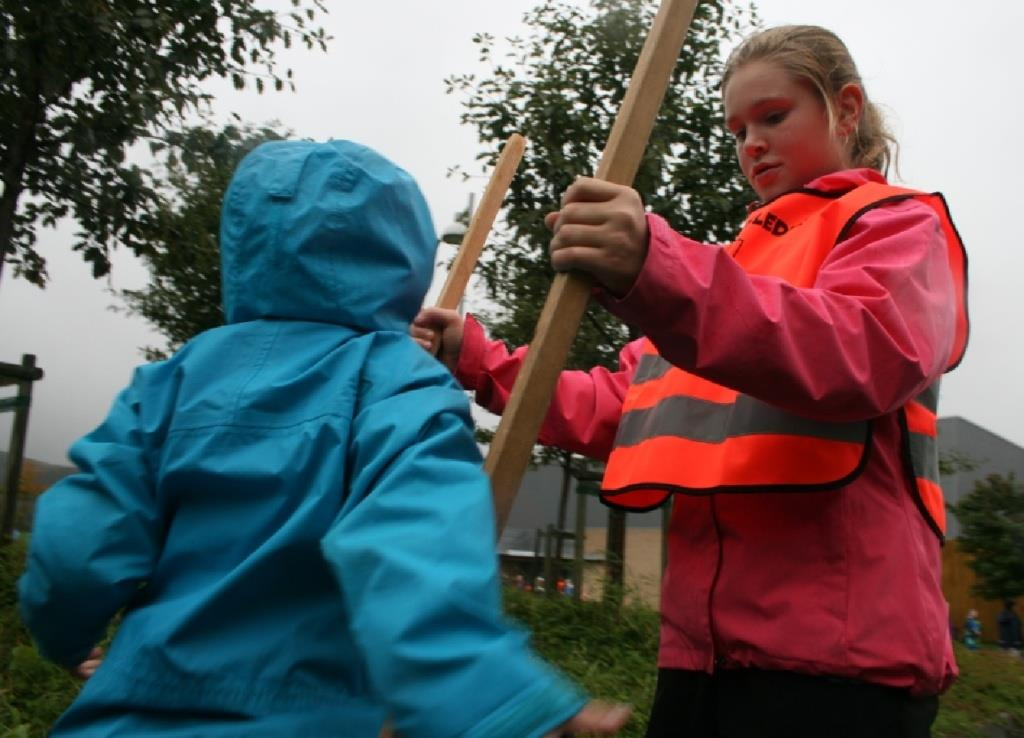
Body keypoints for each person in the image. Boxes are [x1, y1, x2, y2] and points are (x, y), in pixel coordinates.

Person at [413, 24, 968, 738]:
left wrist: (656, 266)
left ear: (848, 109)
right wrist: (476, 358)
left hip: (840, 670)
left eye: (773, 116)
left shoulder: (896, 224)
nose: (752, 144)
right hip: (701, 660)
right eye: (738, 129)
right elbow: (615, 408)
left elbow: (862, 353)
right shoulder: (727, 266)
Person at [18, 140, 628, 738]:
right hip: (314, 711)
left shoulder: (170, 381)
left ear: (243, 244)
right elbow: (411, 544)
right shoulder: (397, 383)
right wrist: (493, 698)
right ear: (405, 258)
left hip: (130, 706)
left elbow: (79, 541)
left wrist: (66, 633)